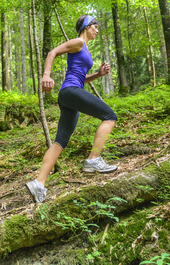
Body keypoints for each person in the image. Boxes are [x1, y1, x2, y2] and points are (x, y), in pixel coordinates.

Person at [26, 15, 118, 203]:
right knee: (110, 116)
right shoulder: (78, 42)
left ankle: (39, 184)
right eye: (95, 27)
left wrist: (98, 74)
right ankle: (93, 159)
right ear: (87, 26)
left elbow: (80, 78)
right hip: (70, 91)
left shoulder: (85, 51)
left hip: (70, 93)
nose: (97, 31)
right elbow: (52, 52)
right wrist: (46, 75)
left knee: (60, 141)